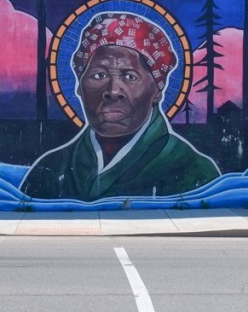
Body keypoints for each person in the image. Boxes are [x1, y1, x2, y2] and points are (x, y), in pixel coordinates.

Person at [20, 13, 220, 201]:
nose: (113, 91)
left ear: (157, 90)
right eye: (99, 75)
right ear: (79, 86)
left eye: (129, 76)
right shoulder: (50, 170)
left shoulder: (193, 171)